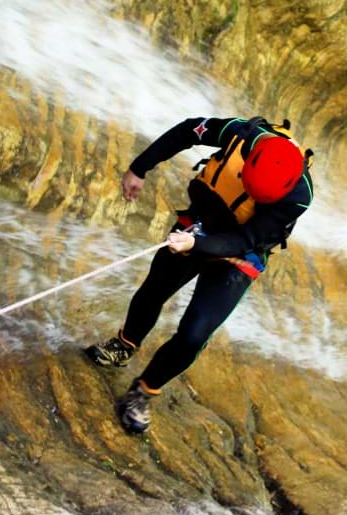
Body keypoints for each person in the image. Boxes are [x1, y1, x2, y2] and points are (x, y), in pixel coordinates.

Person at [84, 116, 314, 432]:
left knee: (194, 334)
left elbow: (246, 239)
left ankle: (143, 391)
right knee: (154, 289)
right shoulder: (241, 134)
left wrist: (195, 243)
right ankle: (125, 345)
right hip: (203, 221)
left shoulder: (299, 195)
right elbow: (186, 130)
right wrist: (139, 168)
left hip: (240, 251)